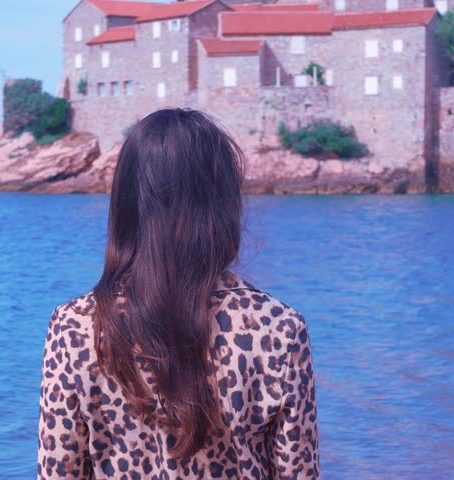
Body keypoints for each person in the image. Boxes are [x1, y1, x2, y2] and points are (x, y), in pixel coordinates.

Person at [37, 109, 319, 479]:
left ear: (126, 204)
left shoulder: (75, 328)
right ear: (222, 204)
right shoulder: (278, 330)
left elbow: (58, 471)